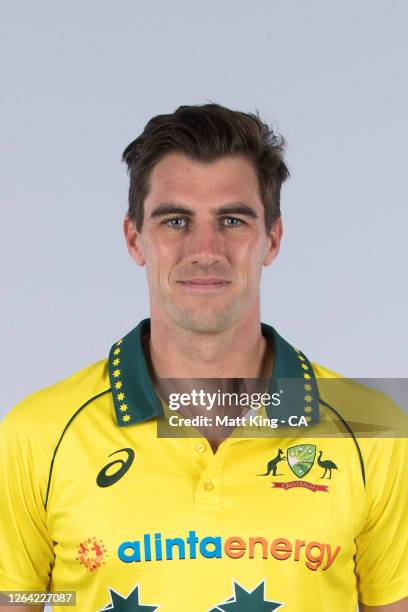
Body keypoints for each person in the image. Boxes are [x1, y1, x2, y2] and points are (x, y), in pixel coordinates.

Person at [0, 103, 407, 612]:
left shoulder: (374, 428)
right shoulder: (37, 433)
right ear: (134, 238)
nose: (205, 249)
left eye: (232, 219)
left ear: (272, 238)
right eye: (175, 220)